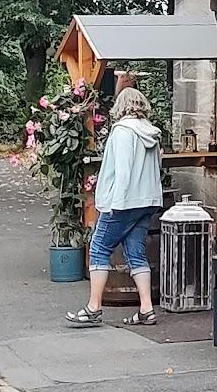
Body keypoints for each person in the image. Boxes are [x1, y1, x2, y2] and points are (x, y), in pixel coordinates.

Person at [66, 88, 162, 327]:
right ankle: (146, 309)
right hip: (147, 202)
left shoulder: (122, 132)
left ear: (120, 106)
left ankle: (93, 308)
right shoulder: (151, 132)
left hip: (123, 203)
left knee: (98, 248)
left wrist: (114, 205)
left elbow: (123, 171)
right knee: (136, 253)